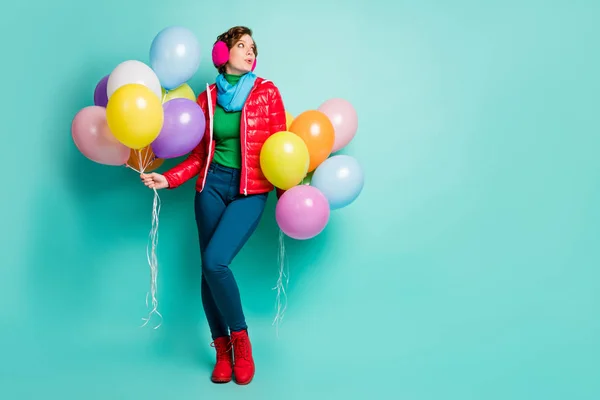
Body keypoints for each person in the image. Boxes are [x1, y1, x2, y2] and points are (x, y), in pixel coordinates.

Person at [140, 26, 287, 385]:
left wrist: (290, 198)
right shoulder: (206, 99)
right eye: (242, 46)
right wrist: (170, 178)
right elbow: (198, 153)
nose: (250, 52)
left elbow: (282, 148)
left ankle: (242, 341)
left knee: (214, 261)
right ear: (222, 54)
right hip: (211, 187)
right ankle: (222, 350)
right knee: (208, 272)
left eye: (253, 47)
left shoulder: (267, 93)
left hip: (250, 190)